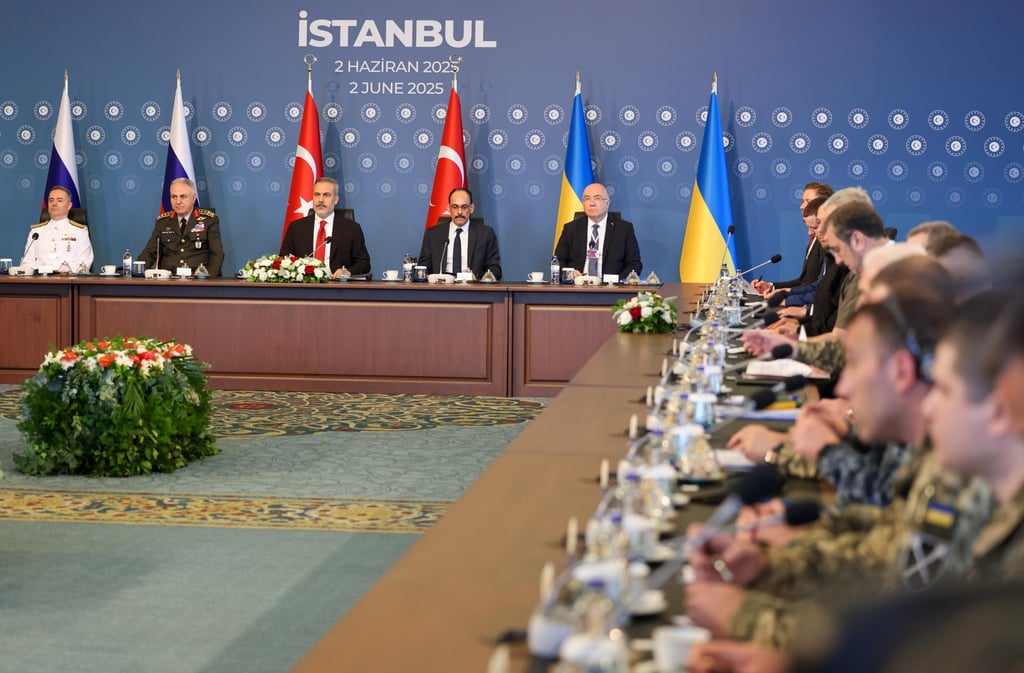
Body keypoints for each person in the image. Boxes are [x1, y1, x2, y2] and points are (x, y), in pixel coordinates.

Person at [280, 177, 371, 277]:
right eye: (317, 194)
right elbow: (284, 259)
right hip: (305, 287)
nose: (320, 200)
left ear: (335, 200)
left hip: (337, 287)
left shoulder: (351, 229)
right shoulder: (296, 228)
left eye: (326, 195)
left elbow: (364, 263)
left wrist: (347, 271)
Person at [753, 182, 833, 294]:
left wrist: (786, 296)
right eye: (802, 201)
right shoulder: (814, 239)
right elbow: (804, 281)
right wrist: (771, 287)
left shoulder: (827, 242)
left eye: (808, 202)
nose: (802, 206)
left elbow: (819, 286)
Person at [138, 178, 224, 276]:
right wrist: (138, 272)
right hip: (168, 281)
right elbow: (149, 252)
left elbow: (216, 254)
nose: (178, 201)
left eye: (183, 196)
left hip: (198, 280)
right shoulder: (163, 222)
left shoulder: (209, 220)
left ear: (193, 198)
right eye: (174, 197)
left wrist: (208, 280)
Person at [555, 183, 642, 279]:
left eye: (597, 198)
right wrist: (569, 274)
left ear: (607, 203)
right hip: (577, 286)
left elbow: (634, 264)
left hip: (611, 289)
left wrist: (617, 281)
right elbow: (557, 262)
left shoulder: (624, 229)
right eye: (587, 199)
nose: (592, 203)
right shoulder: (571, 229)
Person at [417, 187, 502, 279]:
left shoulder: (486, 234)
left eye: (464, 207)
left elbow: (495, 269)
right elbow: (423, 267)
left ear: (471, 208)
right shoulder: (433, 234)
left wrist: (476, 277)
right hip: (441, 288)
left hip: (473, 289)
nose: (460, 212)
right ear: (448, 208)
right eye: (455, 207)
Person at [22, 186, 93, 272]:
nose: (54, 204)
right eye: (51, 200)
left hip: (68, 281)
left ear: (69, 205)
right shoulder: (36, 232)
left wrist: (61, 273)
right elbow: (27, 262)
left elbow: (84, 262)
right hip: (39, 280)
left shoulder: (80, 231)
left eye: (59, 200)